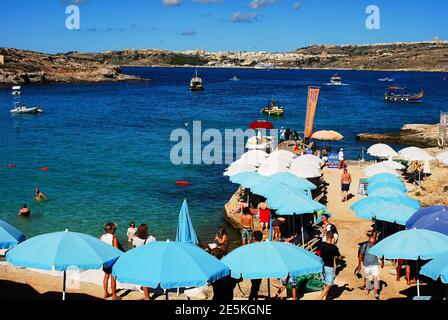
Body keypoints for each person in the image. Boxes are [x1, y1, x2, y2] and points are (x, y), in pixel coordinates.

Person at [318, 232, 345, 300]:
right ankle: (320, 297)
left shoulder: (322, 244)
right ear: (332, 238)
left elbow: (318, 252)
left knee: (325, 282)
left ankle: (325, 297)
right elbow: (339, 257)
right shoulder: (334, 247)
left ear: (326, 237)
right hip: (329, 267)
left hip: (322, 265)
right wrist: (343, 257)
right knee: (329, 284)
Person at [132, 224, 155, 300]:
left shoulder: (135, 239)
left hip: (140, 260)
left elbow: (134, 249)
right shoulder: (151, 238)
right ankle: (147, 294)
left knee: (143, 278)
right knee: (147, 276)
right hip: (149, 259)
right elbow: (155, 248)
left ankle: (146, 297)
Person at [100, 223, 122, 300]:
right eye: (114, 229)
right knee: (113, 277)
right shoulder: (113, 238)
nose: (115, 230)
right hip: (113, 259)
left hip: (105, 259)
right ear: (112, 230)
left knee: (106, 276)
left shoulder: (102, 237)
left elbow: (99, 247)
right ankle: (114, 296)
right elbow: (116, 250)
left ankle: (105, 293)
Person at [249, 231, 263, 300]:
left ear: (254, 238)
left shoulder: (251, 247)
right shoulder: (264, 247)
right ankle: (255, 298)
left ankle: (251, 298)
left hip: (252, 269)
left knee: (254, 286)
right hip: (261, 268)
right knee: (256, 286)